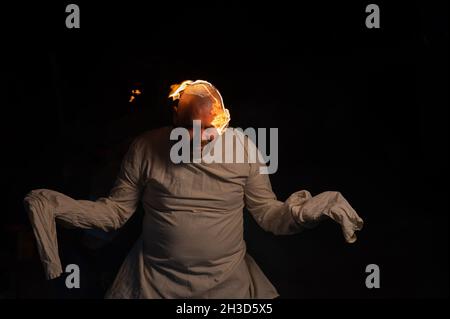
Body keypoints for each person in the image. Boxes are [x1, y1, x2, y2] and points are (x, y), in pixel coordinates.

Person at [24, 80, 363, 298]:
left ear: (223, 121)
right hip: (153, 283)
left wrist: (310, 211)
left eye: (210, 130)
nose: (201, 139)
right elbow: (115, 213)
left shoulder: (244, 148)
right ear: (175, 122)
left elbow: (268, 215)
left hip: (226, 287)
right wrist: (57, 207)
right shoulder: (145, 148)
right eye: (191, 129)